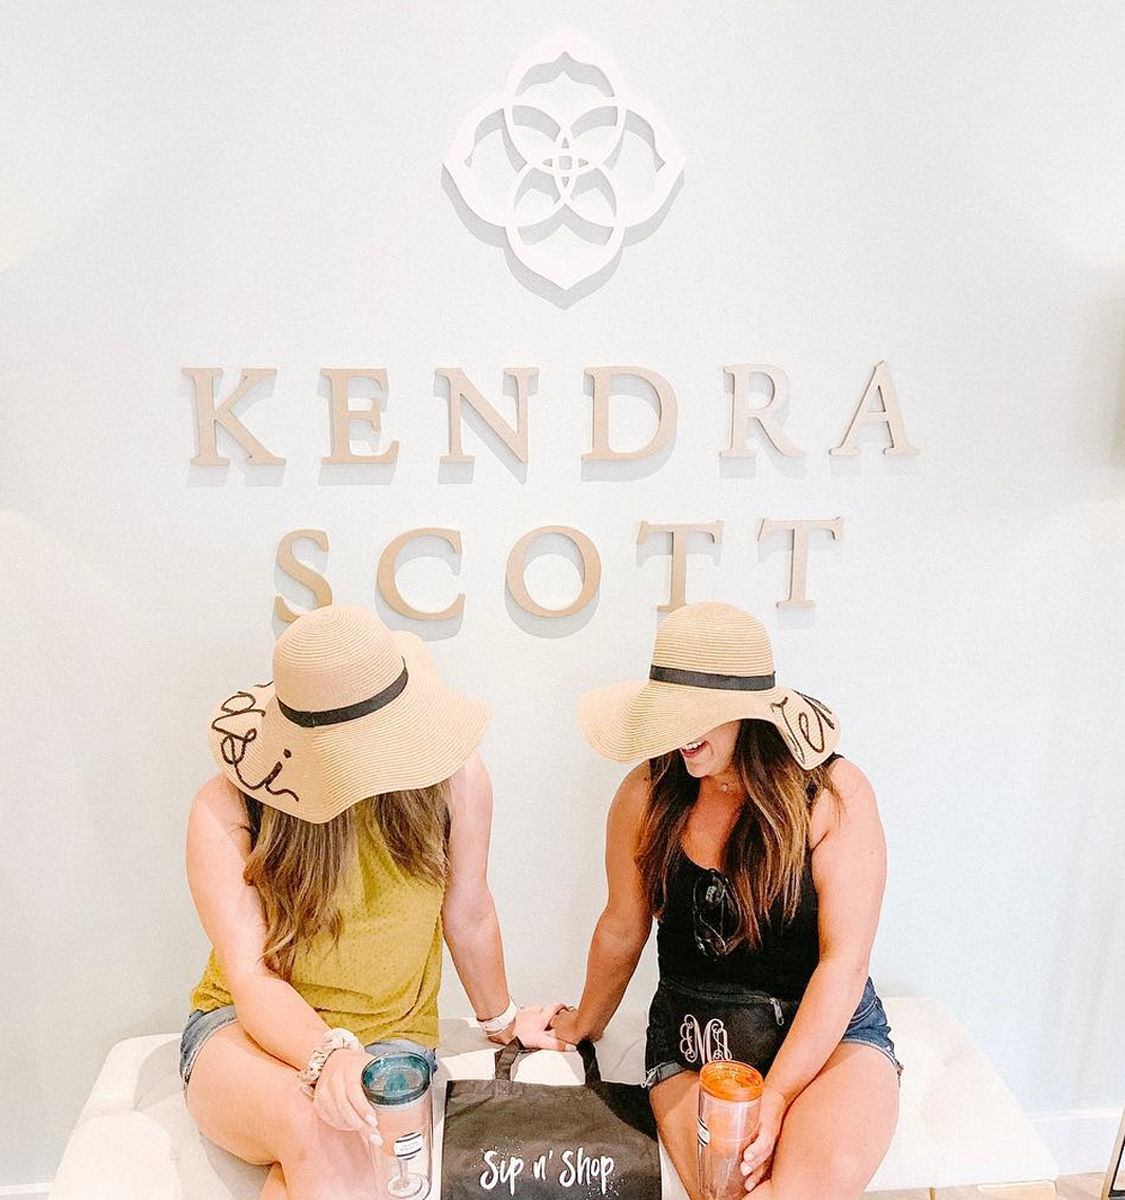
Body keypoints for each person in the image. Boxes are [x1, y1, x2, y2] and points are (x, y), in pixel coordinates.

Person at [182, 604, 565, 1200]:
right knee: (313, 1129)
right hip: (245, 1032)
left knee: (335, 1149)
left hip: (392, 1038)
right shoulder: (226, 809)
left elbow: (468, 911)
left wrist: (504, 1021)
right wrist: (326, 1056)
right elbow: (250, 976)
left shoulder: (455, 779)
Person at [550, 601, 902, 1199]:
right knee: (729, 1190)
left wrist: (781, 1091)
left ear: (749, 713)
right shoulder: (647, 793)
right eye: (670, 711)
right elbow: (622, 924)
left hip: (830, 1038)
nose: (679, 731)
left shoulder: (833, 793)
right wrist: (583, 1023)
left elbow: (844, 964)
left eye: (702, 713)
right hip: (697, 1043)